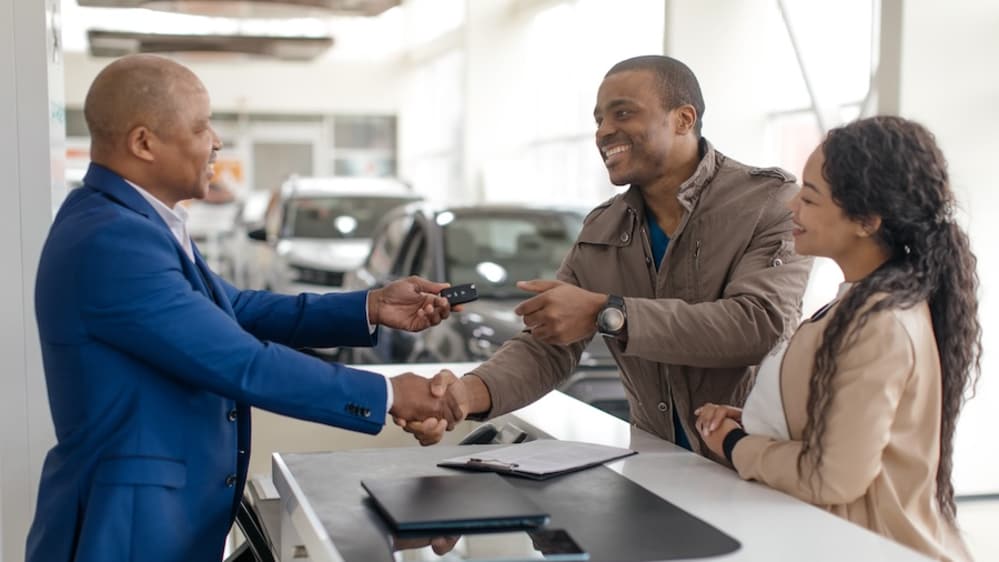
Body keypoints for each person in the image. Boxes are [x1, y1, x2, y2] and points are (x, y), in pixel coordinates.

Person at [27, 54, 461, 562]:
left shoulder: (136, 222)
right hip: (123, 532)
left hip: (158, 523)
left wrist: (370, 306)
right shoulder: (111, 240)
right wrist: (389, 395)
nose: (216, 142)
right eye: (201, 126)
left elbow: (234, 307)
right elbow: (239, 360)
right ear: (144, 142)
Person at [400, 55, 812, 454]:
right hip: (659, 467)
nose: (603, 131)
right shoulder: (603, 228)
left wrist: (610, 313)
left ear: (683, 119)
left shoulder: (768, 202)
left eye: (623, 114)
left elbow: (759, 326)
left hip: (756, 467)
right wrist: (466, 395)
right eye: (599, 120)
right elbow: (548, 346)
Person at [694, 116, 979, 561]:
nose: (792, 207)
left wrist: (735, 445)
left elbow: (834, 478)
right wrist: (755, 421)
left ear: (866, 220)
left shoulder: (881, 321)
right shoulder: (860, 303)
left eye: (809, 197)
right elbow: (842, 424)